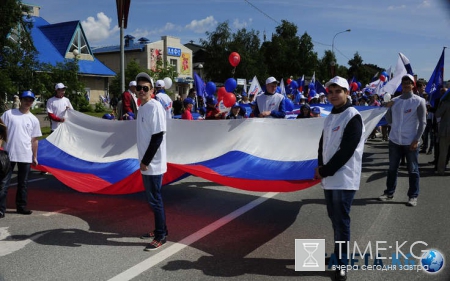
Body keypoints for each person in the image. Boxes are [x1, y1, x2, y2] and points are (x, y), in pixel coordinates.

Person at [314, 76, 365, 281]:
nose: (334, 95)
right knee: (334, 219)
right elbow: (323, 144)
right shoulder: (330, 116)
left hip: (343, 177)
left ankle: (342, 263)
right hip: (329, 176)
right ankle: (338, 254)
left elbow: (347, 151)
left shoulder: (352, 116)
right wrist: (320, 166)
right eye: (331, 92)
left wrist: (326, 170)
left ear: (347, 93)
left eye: (338, 91)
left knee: (341, 221)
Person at [379, 74, 426, 207]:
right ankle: (389, 193)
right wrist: (387, 108)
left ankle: (413, 196)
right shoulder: (395, 100)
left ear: (413, 85)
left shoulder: (419, 101)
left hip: (410, 141)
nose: (406, 84)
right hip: (395, 141)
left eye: (409, 82)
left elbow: (423, 123)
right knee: (392, 169)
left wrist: (416, 139)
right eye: (404, 82)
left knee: (413, 170)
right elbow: (390, 120)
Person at [134, 72, 168, 251]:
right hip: (147, 162)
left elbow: (157, 137)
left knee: (155, 199)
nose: (141, 91)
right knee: (153, 199)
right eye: (138, 88)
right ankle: (159, 229)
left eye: (145, 88)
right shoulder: (142, 107)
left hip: (153, 163)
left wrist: (146, 161)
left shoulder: (155, 107)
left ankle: (161, 235)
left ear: (152, 90)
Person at [0, 91, 42, 218]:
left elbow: (34, 140)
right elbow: (1, 133)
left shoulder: (34, 119)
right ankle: (1, 209)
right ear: (21, 100)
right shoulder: (8, 114)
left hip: (25, 155)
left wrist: (35, 156)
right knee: (3, 183)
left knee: (23, 183)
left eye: (30, 100)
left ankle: (21, 206)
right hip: (9, 154)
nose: (27, 102)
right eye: (25, 99)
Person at [435, 90, 450, 176]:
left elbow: (437, 114)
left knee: (443, 151)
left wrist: (440, 105)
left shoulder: (446, 103)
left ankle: (441, 170)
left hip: (445, 130)